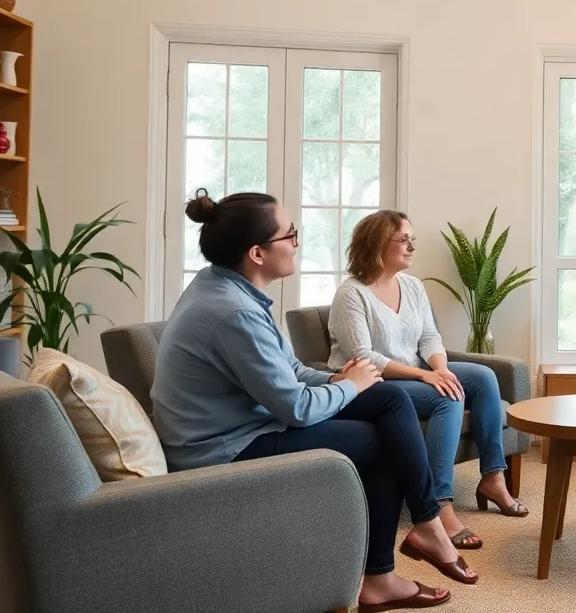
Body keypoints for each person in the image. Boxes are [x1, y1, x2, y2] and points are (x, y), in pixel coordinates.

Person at [153, 190, 474, 612]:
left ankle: (422, 528)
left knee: (391, 400)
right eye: (290, 235)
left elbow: (288, 370)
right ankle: (391, 565)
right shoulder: (234, 313)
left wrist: (338, 378)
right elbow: (296, 407)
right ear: (257, 253)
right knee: (384, 443)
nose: (297, 242)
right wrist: (351, 386)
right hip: (225, 447)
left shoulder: (227, 289)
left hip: (250, 420)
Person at [328, 210, 526, 552]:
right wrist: (426, 375)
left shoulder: (413, 286)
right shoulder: (351, 294)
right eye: (403, 240)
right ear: (377, 245)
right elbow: (364, 357)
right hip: (373, 383)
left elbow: (430, 338)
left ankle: (494, 477)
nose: (412, 247)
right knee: (446, 398)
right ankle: (439, 504)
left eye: (412, 239)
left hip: (418, 371)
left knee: (482, 377)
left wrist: (441, 368)